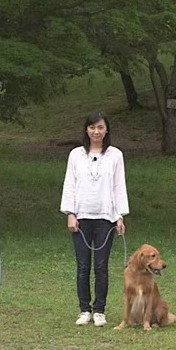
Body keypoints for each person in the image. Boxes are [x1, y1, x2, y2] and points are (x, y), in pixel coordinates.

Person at [60, 111, 129, 327]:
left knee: (101, 266)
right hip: (81, 217)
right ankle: (84, 310)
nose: (96, 132)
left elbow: (119, 186)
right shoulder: (76, 155)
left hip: (105, 217)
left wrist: (119, 216)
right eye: (92, 127)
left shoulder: (115, 155)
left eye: (100, 127)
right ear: (86, 130)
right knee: (83, 266)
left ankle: (99, 310)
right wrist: (70, 213)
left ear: (106, 130)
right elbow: (70, 184)